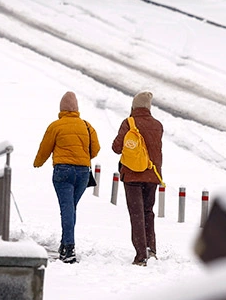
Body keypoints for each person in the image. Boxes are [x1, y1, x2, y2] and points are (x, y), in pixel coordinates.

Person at [34, 91, 99, 264]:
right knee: (71, 208)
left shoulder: (56, 126)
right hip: (83, 173)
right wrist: (82, 157)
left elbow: (45, 148)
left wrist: (38, 162)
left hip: (63, 172)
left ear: (61, 108)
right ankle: (64, 245)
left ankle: (69, 248)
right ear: (77, 108)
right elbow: (96, 149)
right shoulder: (87, 126)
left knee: (67, 208)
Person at [112, 91, 164, 267]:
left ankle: (141, 256)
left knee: (136, 214)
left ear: (133, 106)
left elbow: (116, 147)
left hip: (133, 176)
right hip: (152, 175)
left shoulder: (128, 123)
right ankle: (152, 250)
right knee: (148, 212)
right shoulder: (158, 125)